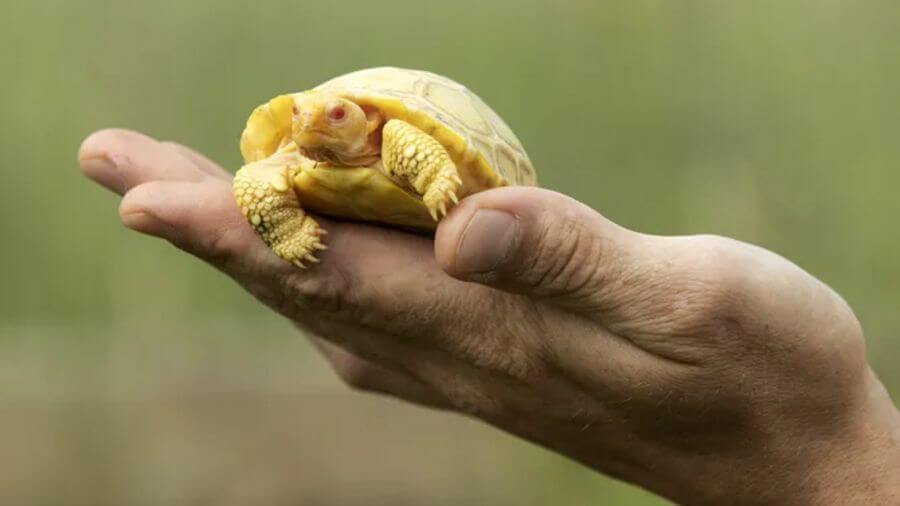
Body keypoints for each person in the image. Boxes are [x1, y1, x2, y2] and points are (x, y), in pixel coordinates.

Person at [78, 129, 899, 505]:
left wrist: (829, 467)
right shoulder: (293, 159)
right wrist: (285, 227)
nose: (321, 126)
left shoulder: (401, 143)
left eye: (340, 117)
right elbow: (258, 184)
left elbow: (423, 154)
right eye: (310, 119)